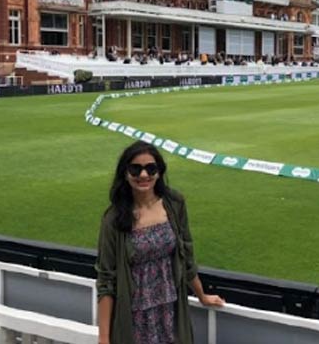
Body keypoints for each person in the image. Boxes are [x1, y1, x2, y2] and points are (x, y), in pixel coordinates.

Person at [96, 141, 224, 344]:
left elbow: (186, 256)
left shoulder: (174, 204)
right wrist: (103, 339)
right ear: (125, 173)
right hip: (134, 314)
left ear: (159, 171)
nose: (144, 175)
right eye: (135, 169)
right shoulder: (114, 219)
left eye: (151, 168)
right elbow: (106, 281)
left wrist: (201, 295)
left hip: (170, 309)